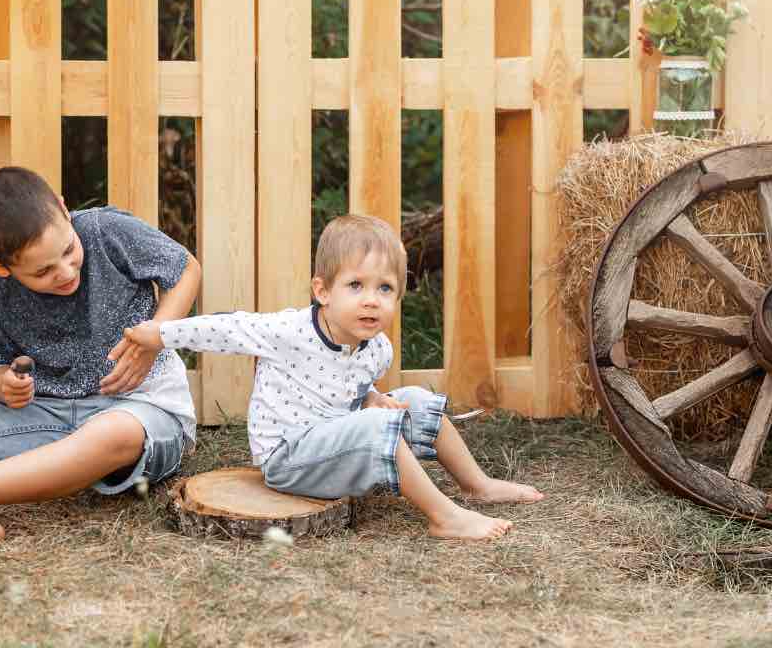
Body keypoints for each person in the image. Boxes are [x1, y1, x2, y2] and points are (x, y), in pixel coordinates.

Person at [121, 215, 543, 540]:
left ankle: (477, 485)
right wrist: (158, 333)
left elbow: (348, 388)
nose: (371, 301)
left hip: (335, 437)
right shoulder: (290, 332)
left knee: (412, 397)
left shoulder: (378, 349)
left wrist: (371, 397)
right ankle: (445, 517)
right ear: (323, 291)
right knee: (378, 425)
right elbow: (225, 329)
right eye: (356, 285)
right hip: (288, 458)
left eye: (385, 289)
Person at [0, 166, 200, 556]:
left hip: (142, 411)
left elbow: (184, 270)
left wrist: (155, 335)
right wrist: (4, 385)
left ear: (64, 209)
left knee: (112, 434)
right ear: (2, 267)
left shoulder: (106, 230)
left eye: (67, 251)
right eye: (43, 271)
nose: (64, 271)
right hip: (49, 418)